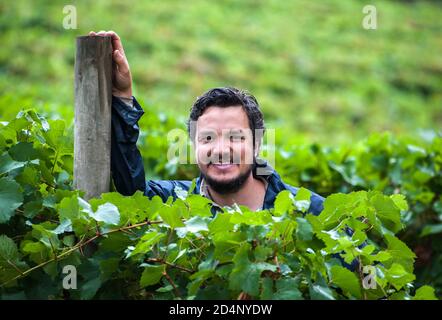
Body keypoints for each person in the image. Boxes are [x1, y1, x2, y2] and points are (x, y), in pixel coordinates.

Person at [88, 30, 325, 216]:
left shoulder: (309, 211)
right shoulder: (177, 203)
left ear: (257, 144)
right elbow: (133, 191)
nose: (221, 150)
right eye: (208, 138)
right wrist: (122, 96)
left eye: (235, 137)